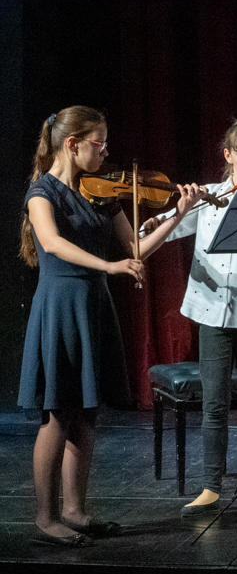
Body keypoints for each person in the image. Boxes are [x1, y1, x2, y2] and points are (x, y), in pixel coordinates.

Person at [19, 106, 202, 545]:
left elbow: (136, 247)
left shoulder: (100, 194)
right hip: (61, 305)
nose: (106, 152)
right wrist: (108, 265)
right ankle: (46, 519)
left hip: (93, 305)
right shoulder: (42, 191)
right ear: (72, 143)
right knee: (57, 414)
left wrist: (179, 214)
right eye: (99, 143)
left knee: (86, 412)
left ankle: (75, 510)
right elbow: (52, 242)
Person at [156, 121, 237, 516]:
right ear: (227, 155)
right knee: (215, 405)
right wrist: (161, 219)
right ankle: (211, 488)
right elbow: (172, 229)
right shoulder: (209, 198)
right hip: (214, 312)